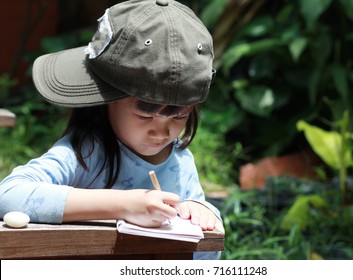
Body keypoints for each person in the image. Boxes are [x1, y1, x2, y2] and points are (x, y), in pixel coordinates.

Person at [0, 0, 223, 259]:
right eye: (144, 115)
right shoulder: (88, 151)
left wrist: (200, 209)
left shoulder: (181, 160)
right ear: (105, 102)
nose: (161, 133)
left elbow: (202, 245)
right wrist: (124, 205)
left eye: (178, 116)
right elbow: (9, 194)